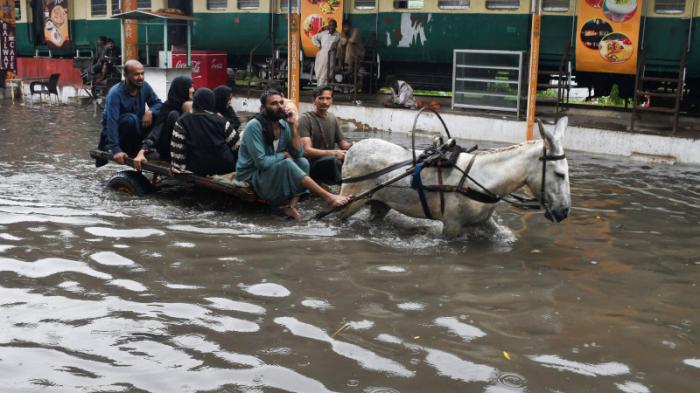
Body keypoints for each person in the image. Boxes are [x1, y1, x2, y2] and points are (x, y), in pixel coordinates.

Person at [236, 90, 352, 220]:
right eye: (274, 103)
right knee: (287, 163)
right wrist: (283, 155)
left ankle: (291, 206)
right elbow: (261, 163)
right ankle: (329, 197)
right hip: (252, 173)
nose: (279, 106)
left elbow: (298, 153)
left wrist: (293, 126)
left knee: (303, 162)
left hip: (272, 168)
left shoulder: (284, 124)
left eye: (281, 102)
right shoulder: (254, 126)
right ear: (263, 108)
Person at [96, 60, 162, 167]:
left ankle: (145, 147)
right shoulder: (115, 93)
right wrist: (116, 149)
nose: (140, 77)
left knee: (161, 115)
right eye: (136, 74)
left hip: (135, 131)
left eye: (142, 73)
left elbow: (158, 104)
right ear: (125, 75)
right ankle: (127, 148)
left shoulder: (144, 86)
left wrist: (150, 111)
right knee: (130, 119)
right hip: (119, 133)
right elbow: (110, 122)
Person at [170, 88, 239, 176]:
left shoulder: (182, 121)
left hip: (196, 168)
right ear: (212, 102)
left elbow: (177, 147)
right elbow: (236, 146)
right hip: (224, 167)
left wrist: (178, 168)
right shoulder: (221, 121)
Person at [133, 76, 194, 170]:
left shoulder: (190, 105)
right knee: (174, 115)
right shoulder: (169, 108)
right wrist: (142, 151)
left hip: (186, 150)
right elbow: (156, 132)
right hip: (170, 151)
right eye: (190, 87)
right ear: (182, 89)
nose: (193, 90)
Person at [298, 85, 352, 186]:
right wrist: (334, 153)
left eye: (328, 98)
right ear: (313, 100)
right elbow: (307, 151)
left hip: (330, 161)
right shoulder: (305, 119)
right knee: (334, 160)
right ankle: (342, 188)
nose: (325, 102)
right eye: (321, 98)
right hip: (311, 164)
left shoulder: (332, 118)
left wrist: (357, 146)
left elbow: (343, 144)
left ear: (332, 101)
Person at [312, 19, 340, 87]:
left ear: (336, 26)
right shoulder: (323, 33)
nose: (331, 27)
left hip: (331, 56)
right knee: (320, 71)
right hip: (322, 55)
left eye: (333, 25)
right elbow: (313, 38)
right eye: (330, 25)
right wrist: (319, 45)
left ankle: (324, 89)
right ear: (328, 26)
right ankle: (320, 88)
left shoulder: (338, 35)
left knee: (328, 73)